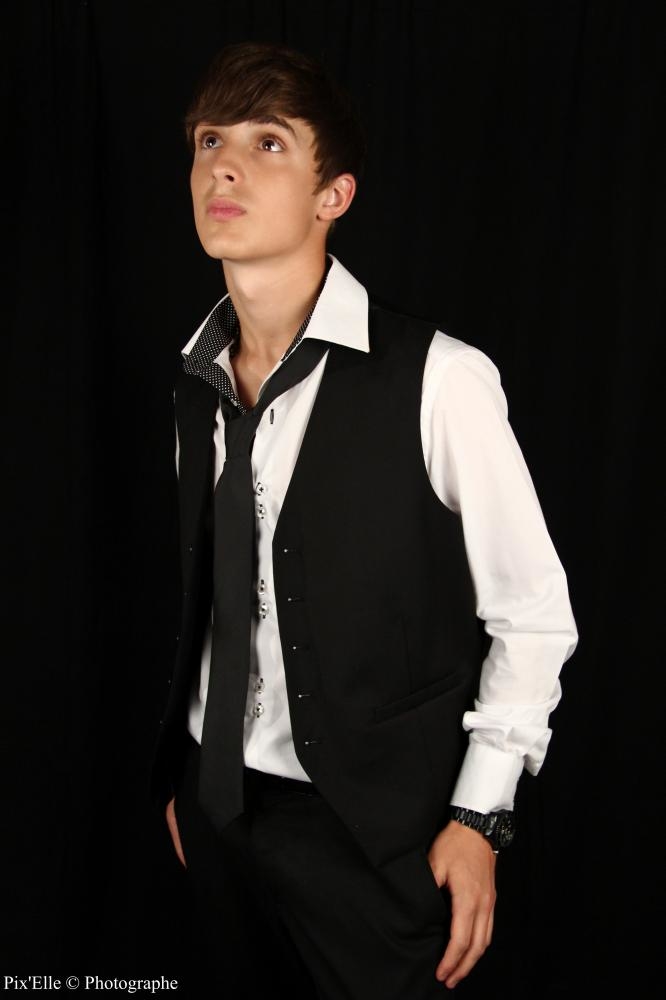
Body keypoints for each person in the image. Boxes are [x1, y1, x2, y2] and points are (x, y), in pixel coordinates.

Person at [151, 41, 578, 1000]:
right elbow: (218, 603)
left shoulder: (440, 380)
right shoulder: (194, 386)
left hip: (373, 844)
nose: (223, 166)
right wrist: (191, 775)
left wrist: (480, 817)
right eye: (210, 140)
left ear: (333, 195)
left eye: (267, 143)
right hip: (216, 817)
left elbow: (533, 617)